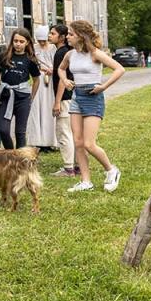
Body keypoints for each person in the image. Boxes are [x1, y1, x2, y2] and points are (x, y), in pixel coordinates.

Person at [58, 20, 124, 193]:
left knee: (89, 143)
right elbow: (61, 69)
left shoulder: (95, 54)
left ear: (81, 36)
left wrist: (103, 86)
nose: (68, 37)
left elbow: (119, 69)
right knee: (78, 142)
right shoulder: (70, 55)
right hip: (77, 97)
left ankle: (111, 170)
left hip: (93, 97)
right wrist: (65, 80)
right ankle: (86, 181)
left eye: (71, 34)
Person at [0, 28, 40, 149]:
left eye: (21, 41)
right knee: (4, 130)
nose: (18, 44)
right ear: (12, 41)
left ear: (27, 43)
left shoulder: (30, 59)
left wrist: (31, 97)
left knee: (20, 133)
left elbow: (36, 79)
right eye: (15, 41)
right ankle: (11, 155)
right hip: (6, 97)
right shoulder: (4, 56)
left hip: (23, 98)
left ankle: (21, 162)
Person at [49, 24, 76, 176]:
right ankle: (77, 166)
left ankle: (68, 168)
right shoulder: (69, 52)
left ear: (61, 37)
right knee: (73, 133)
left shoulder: (61, 53)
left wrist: (57, 101)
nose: (49, 36)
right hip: (73, 97)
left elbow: (62, 79)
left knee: (63, 132)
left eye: (53, 34)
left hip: (65, 98)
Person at [26, 26, 57, 149]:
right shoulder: (34, 48)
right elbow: (32, 63)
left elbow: (59, 63)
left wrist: (52, 69)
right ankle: (38, 139)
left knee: (49, 106)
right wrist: (41, 69)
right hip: (39, 78)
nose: (42, 43)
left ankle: (51, 140)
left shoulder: (53, 48)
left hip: (50, 79)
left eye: (44, 40)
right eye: (40, 41)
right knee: (37, 107)